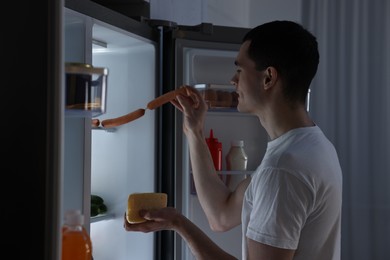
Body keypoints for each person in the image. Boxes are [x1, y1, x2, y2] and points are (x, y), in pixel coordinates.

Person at [124, 20, 343, 260]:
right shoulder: (313, 146)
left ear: (268, 78)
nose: (232, 80)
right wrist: (195, 132)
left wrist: (179, 224)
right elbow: (221, 214)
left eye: (239, 70)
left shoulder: (282, 169)